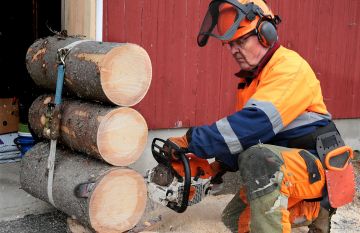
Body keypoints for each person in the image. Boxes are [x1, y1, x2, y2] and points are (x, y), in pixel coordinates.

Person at [167, 0, 354, 233]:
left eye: (241, 40)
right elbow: (243, 138)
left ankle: (316, 208)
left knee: (258, 160)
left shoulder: (289, 68)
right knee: (235, 219)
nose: (234, 50)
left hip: (317, 166)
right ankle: (306, 212)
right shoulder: (251, 82)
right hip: (286, 163)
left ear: (266, 33)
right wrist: (217, 167)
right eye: (230, 44)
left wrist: (193, 140)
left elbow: (254, 126)